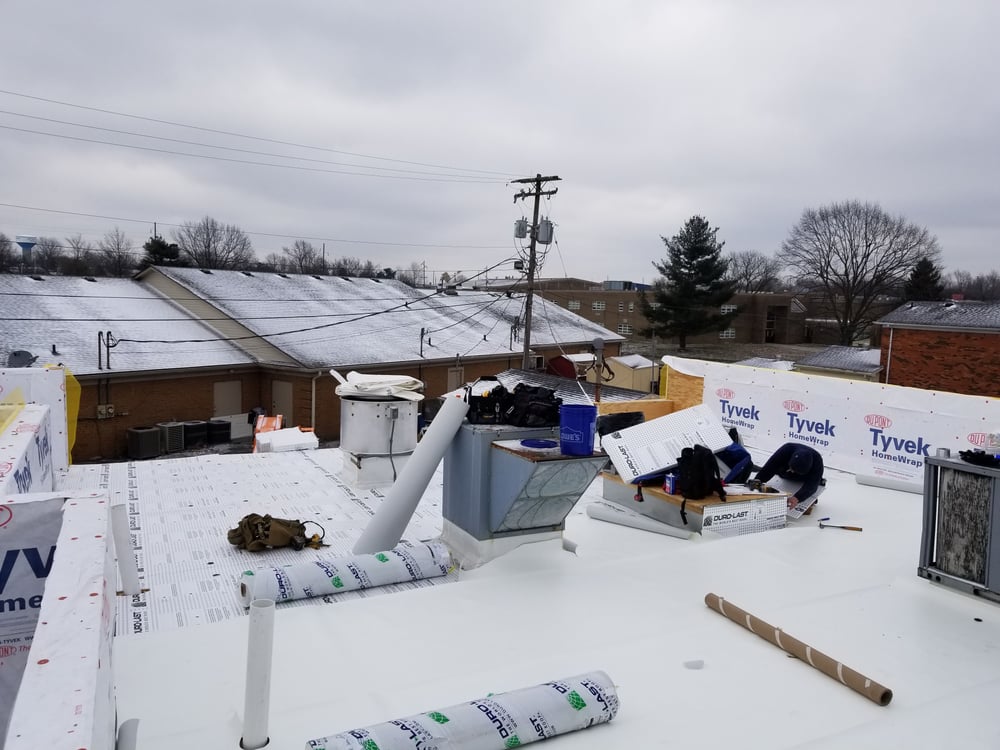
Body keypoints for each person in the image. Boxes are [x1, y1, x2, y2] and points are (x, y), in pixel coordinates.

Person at [754, 443, 824, 511]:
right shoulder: (786, 449)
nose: (793, 472)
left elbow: (812, 484)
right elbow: (769, 468)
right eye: (792, 470)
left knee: (816, 485)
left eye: (795, 471)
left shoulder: (817, 461)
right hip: (784, 471)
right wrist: (757, 482)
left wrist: (797, 498)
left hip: (803, 478)